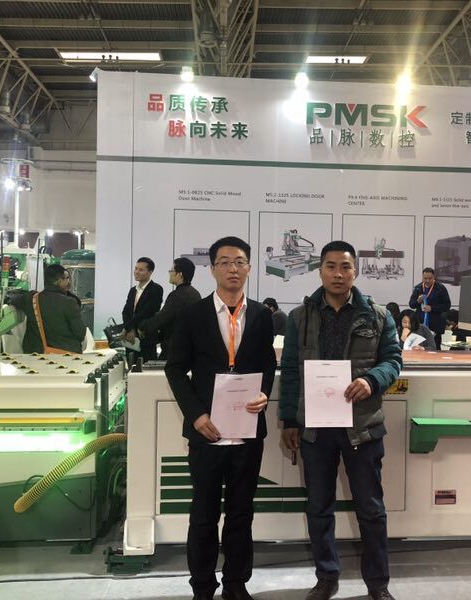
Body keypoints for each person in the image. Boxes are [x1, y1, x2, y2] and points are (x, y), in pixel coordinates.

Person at [279, 240, 402, 600]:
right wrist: (289, 420)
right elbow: (291, 371)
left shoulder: (377, 316)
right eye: (331, 266)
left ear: (355, 271)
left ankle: (378, 585)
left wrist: (371, 380)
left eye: (345, 267)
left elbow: (393, 360)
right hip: (315, 430)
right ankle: (327, 577)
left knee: (371, 511)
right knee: (319, 508)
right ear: (320, 270)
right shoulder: (299, 318)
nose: (338, 274)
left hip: (361, 428)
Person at [165, 236, 277, 600]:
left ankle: (235, 584)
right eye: (225, 262)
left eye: (240, 262)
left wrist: (265, 393)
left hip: (247, 431)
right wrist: (196, 414)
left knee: (241, 513)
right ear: (212, 269)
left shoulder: (260, 315)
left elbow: (268, 365)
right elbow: (175, 368)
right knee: (203, 514)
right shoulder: (193, 315)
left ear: (249, 268)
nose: (233, 269)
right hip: (207, 431)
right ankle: (202, 587)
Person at [8, 263, 85, 354]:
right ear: (59, 281)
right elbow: (80, 334)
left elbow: (12, 299)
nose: (68, 282)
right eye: (67, 278)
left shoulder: (31, 299)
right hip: (65, 355)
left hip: (36, 355)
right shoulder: (69, 302)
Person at [138, 257, 202, 360]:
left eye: (171, 271)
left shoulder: (178, 295)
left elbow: (162, 318)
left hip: (175, 350)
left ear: (179, 274)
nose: (169, 273)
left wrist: (142, 326)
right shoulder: (195, 293)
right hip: (189, 348)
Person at [122, 257, 163, 362]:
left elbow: (147, 312)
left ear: (150, 272)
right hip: (130, 339)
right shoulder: (133, 290)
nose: (136, 272)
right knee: (131, 367)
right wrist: (130, 329)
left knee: (146, 369)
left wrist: (128, 328)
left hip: (145, 338)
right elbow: (126, 312)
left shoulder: (156, 289)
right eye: (136, 268)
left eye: (140, 270)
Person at [409, 267, 451, 349]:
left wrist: (432, 308)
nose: (427, 280)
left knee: (435, 348)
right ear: (422, 277)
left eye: (430, 278)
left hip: (435, 326)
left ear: (434, 277)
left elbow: (447, 305)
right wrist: (417, 301)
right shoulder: (418, 288)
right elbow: (411, 304)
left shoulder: (440, 288)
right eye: (425, 278)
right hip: (420, 325)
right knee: (419, 348)